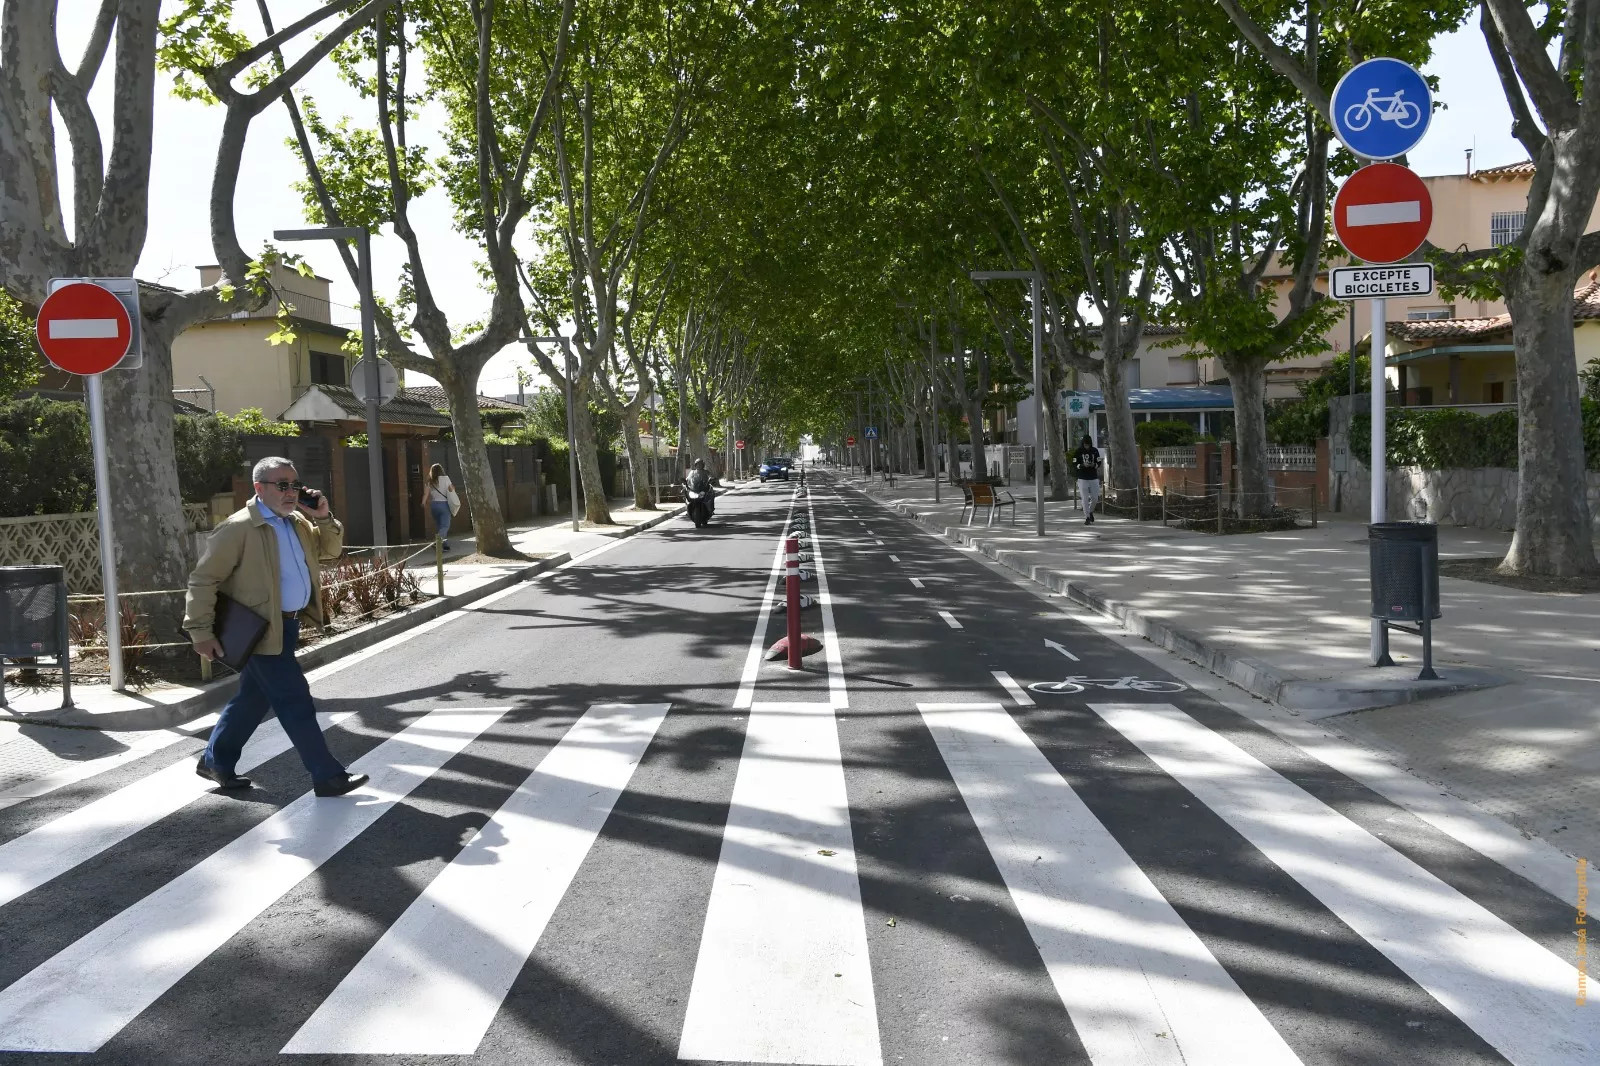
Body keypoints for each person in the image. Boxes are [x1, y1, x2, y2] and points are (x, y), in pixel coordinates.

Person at [184, 457, 369, 798]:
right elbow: (203, 580)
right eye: (281, 485)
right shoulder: (238, 528)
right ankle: (327, 775)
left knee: (252, 699)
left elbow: (330, 552)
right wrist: (201, 632)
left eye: (294, 485)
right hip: (258, 631)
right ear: (259, 488)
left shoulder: (297, 522)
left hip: (288, 627)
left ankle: (215, 761)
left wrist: (324, 516)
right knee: (294, 699)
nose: (290, 492)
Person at [1072, 435, 1103, 524]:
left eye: (1088, 445)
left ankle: (1090, 511)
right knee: (1085, 498)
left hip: (1093, 477)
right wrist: (1081, 465)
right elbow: (1074, 463)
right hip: (1082, 478)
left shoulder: (1095, 451)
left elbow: (1099, 462)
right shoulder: (1078, 451)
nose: (1087, 446)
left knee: (1095, 498)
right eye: (1085, 445)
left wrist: (1094, 465)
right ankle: (1087, 517)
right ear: (1083, 444)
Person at [426, 463, 455, 549]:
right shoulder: (445, 479)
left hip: (434, 505)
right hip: (444, 505)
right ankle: (437, 542)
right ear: (441, 470)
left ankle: (445, 545)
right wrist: (452, 488)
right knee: (445, 526)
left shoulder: (430, 480)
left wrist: (423, 502)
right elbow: (451, 489)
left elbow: (426, 493)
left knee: (440, 526)